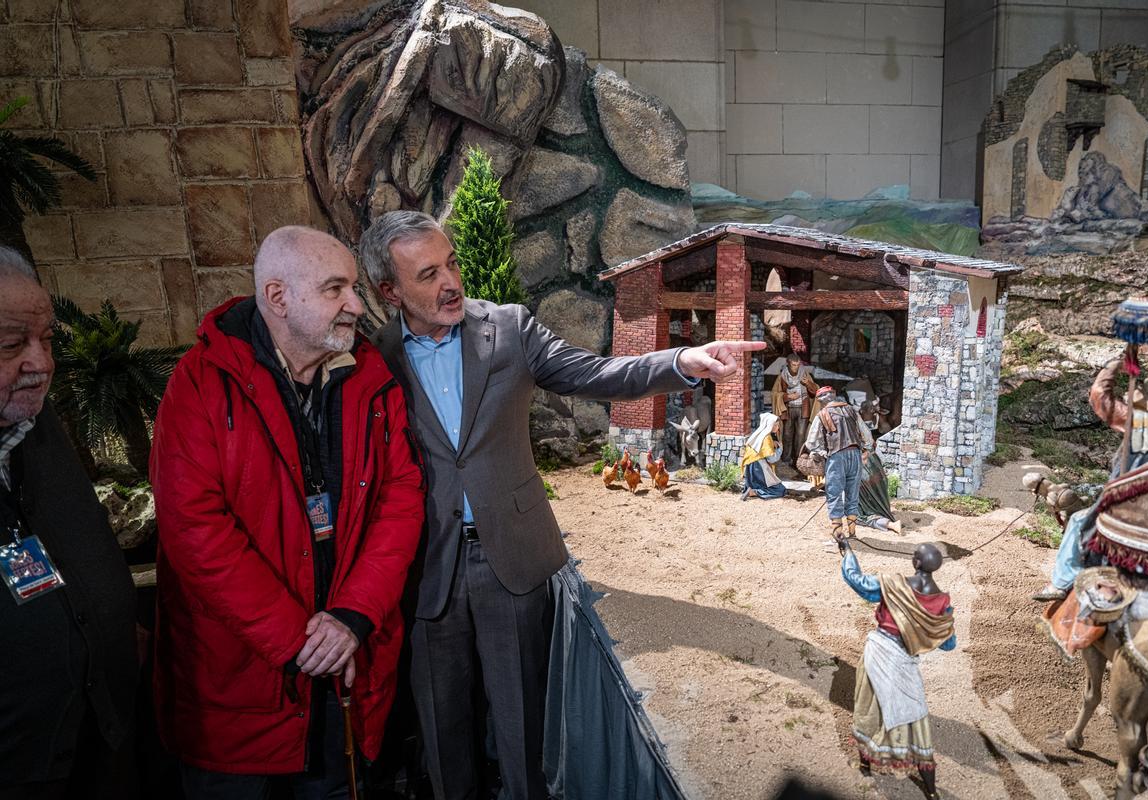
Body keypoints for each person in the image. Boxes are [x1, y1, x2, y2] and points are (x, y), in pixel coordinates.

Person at [361, 210, 763, 800]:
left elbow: (596, 372)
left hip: (515, 563)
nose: (450, 281)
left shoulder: (509, 329)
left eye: (451, 263)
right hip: (426, 571)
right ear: (388, 290)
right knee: (443, 741)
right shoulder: (375, 359)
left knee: (525, 731)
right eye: (428, 274)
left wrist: (680, 362)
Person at [150, 227, 425, 798]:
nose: (355, 303)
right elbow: (194, 531)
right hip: (238, 695)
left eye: (352, 286)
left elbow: (400, 499)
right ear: (278, 298)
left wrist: (352, 614)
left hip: (343, 678)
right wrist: (297, 640)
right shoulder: (200, 385)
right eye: (335, 289)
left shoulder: (372, 379)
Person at [0, 247, 138, 800]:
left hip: (96, 740)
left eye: (49, 340)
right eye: (13, 345)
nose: (43, 363)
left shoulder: (32, 421)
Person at [1032, 352, 1148, 602]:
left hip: (1136, 506)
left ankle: (1061, 582)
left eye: (1139, 396)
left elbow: (1099, 396)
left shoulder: (1140, 421)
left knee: (1079, 520)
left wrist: (1114, 365)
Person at [840, 541, 956, 800]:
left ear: (915, 563)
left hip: (879, 653)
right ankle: (932, 791)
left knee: (870, 709)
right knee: (916, 718)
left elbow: (858, 581)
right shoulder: (942, 602)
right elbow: (949, 643)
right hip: (906, 663)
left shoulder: (894, 586)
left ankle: (865, 765)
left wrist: (847, 552)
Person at [804, 386, 874, 543]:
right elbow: (867, 436)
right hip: (855, 455)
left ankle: (838, 536)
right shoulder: (851, 410)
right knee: (853, 494)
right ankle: (853, 533)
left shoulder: (822, 415)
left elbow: (810, 442)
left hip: (837, 457)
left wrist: (821, 452)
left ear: (821, 401)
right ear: (834, 397)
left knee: (834, 494)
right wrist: (867, 451)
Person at [771, 353, 818, 468]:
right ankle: (786, 458)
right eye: (793, 365)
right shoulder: (782, 376)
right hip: (788, 409)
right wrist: (787, 397)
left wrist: (808, 383)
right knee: (787, 434)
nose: (796, 367)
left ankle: (798, 459)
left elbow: (815, 390)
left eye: (798, 365)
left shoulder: (804, 374)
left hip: (803, 409)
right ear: (788, 364)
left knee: (801, 435)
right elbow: (775, 393)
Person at [739, 412, 787, 500]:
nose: (777, 428)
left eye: (777, 425)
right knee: (780, 490)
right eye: (775, 425)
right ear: (770, 425)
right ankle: (754, 492)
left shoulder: (759, 434)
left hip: (750, 468)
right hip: (758, 468)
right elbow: (772, 459)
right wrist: (780, 449)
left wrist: (773, 443)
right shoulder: (767, 438)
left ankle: (752, 489)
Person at [859, 451, 903, 535]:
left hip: (860, 464)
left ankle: (892, 525)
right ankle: (884, 511)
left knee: (858, 517)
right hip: (872, 460)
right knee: (878, 492)